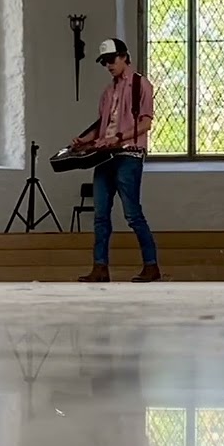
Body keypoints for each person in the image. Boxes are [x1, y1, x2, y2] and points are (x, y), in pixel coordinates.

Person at [74, 38, 160, 283]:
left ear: (124, 56)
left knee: (132, 213)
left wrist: (119, 138)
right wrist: (84, 140)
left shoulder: (140, 85)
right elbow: (101, 126)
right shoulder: (108, 91)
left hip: (128, 155)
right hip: (104, 156)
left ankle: (151, 266)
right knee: (100, 214)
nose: (108, 65)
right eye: (104, 62)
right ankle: (100, 267)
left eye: (111, 60)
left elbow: (146, 123)